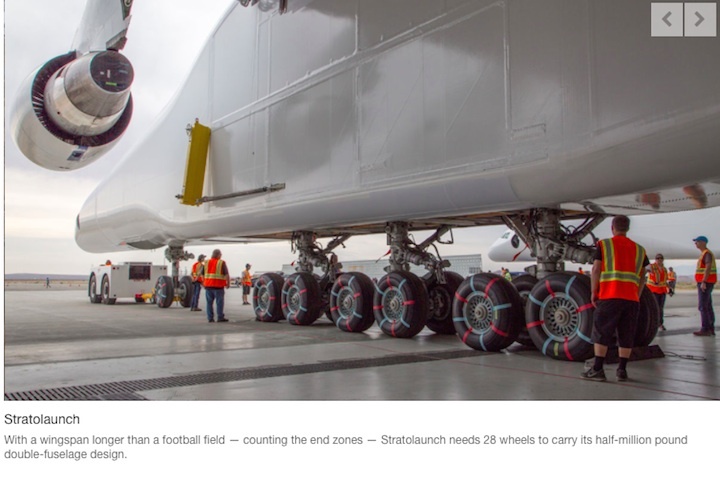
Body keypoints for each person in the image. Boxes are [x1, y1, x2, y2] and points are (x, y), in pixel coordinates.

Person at [582, 215, 649, 382]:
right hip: (631, 299)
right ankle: (622, 370)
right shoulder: (640, 249)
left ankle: (597, 369)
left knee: (602, 333)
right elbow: (643, 275)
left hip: (610, 296)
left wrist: (593, 291)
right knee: (626, 334)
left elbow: (596, 269)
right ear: (627, 228)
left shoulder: (604, 245)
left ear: (613, 227)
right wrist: (637, 294)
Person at [692, 236, 716, 336]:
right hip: (707, 281)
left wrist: (703, 281)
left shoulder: (706, 254)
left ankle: (705, 329)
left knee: (703, 306)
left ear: (703, 242)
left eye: (697, 242)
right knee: (708, 305)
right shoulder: (705, 253)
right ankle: (710, 328)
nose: (695, 244)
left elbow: (708, 267)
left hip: (705, 282)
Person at [203, 249, 230, 323]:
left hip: (208, 286)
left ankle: (210, 318)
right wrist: (228, 283)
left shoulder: (206, 262)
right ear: (218, 255)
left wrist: (204, 283)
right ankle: (220, 317)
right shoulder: (221, 263)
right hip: (218, 287)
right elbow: (226, 274)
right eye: (220, 255)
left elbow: (202, 274)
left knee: (209, 303)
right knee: (219, 303)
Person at [647, 254, 669, 331]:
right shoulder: (651, 266)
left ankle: (660, 323)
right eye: (657, 258)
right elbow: (643, 270)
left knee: (660, 308)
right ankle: (653, 324)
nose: (659, 259)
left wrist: (669, 288)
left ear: (663, 259)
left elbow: (665, 280)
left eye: (660, 258)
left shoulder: (664, 269)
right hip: (654, 291)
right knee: (654, 308)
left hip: (662, 291)